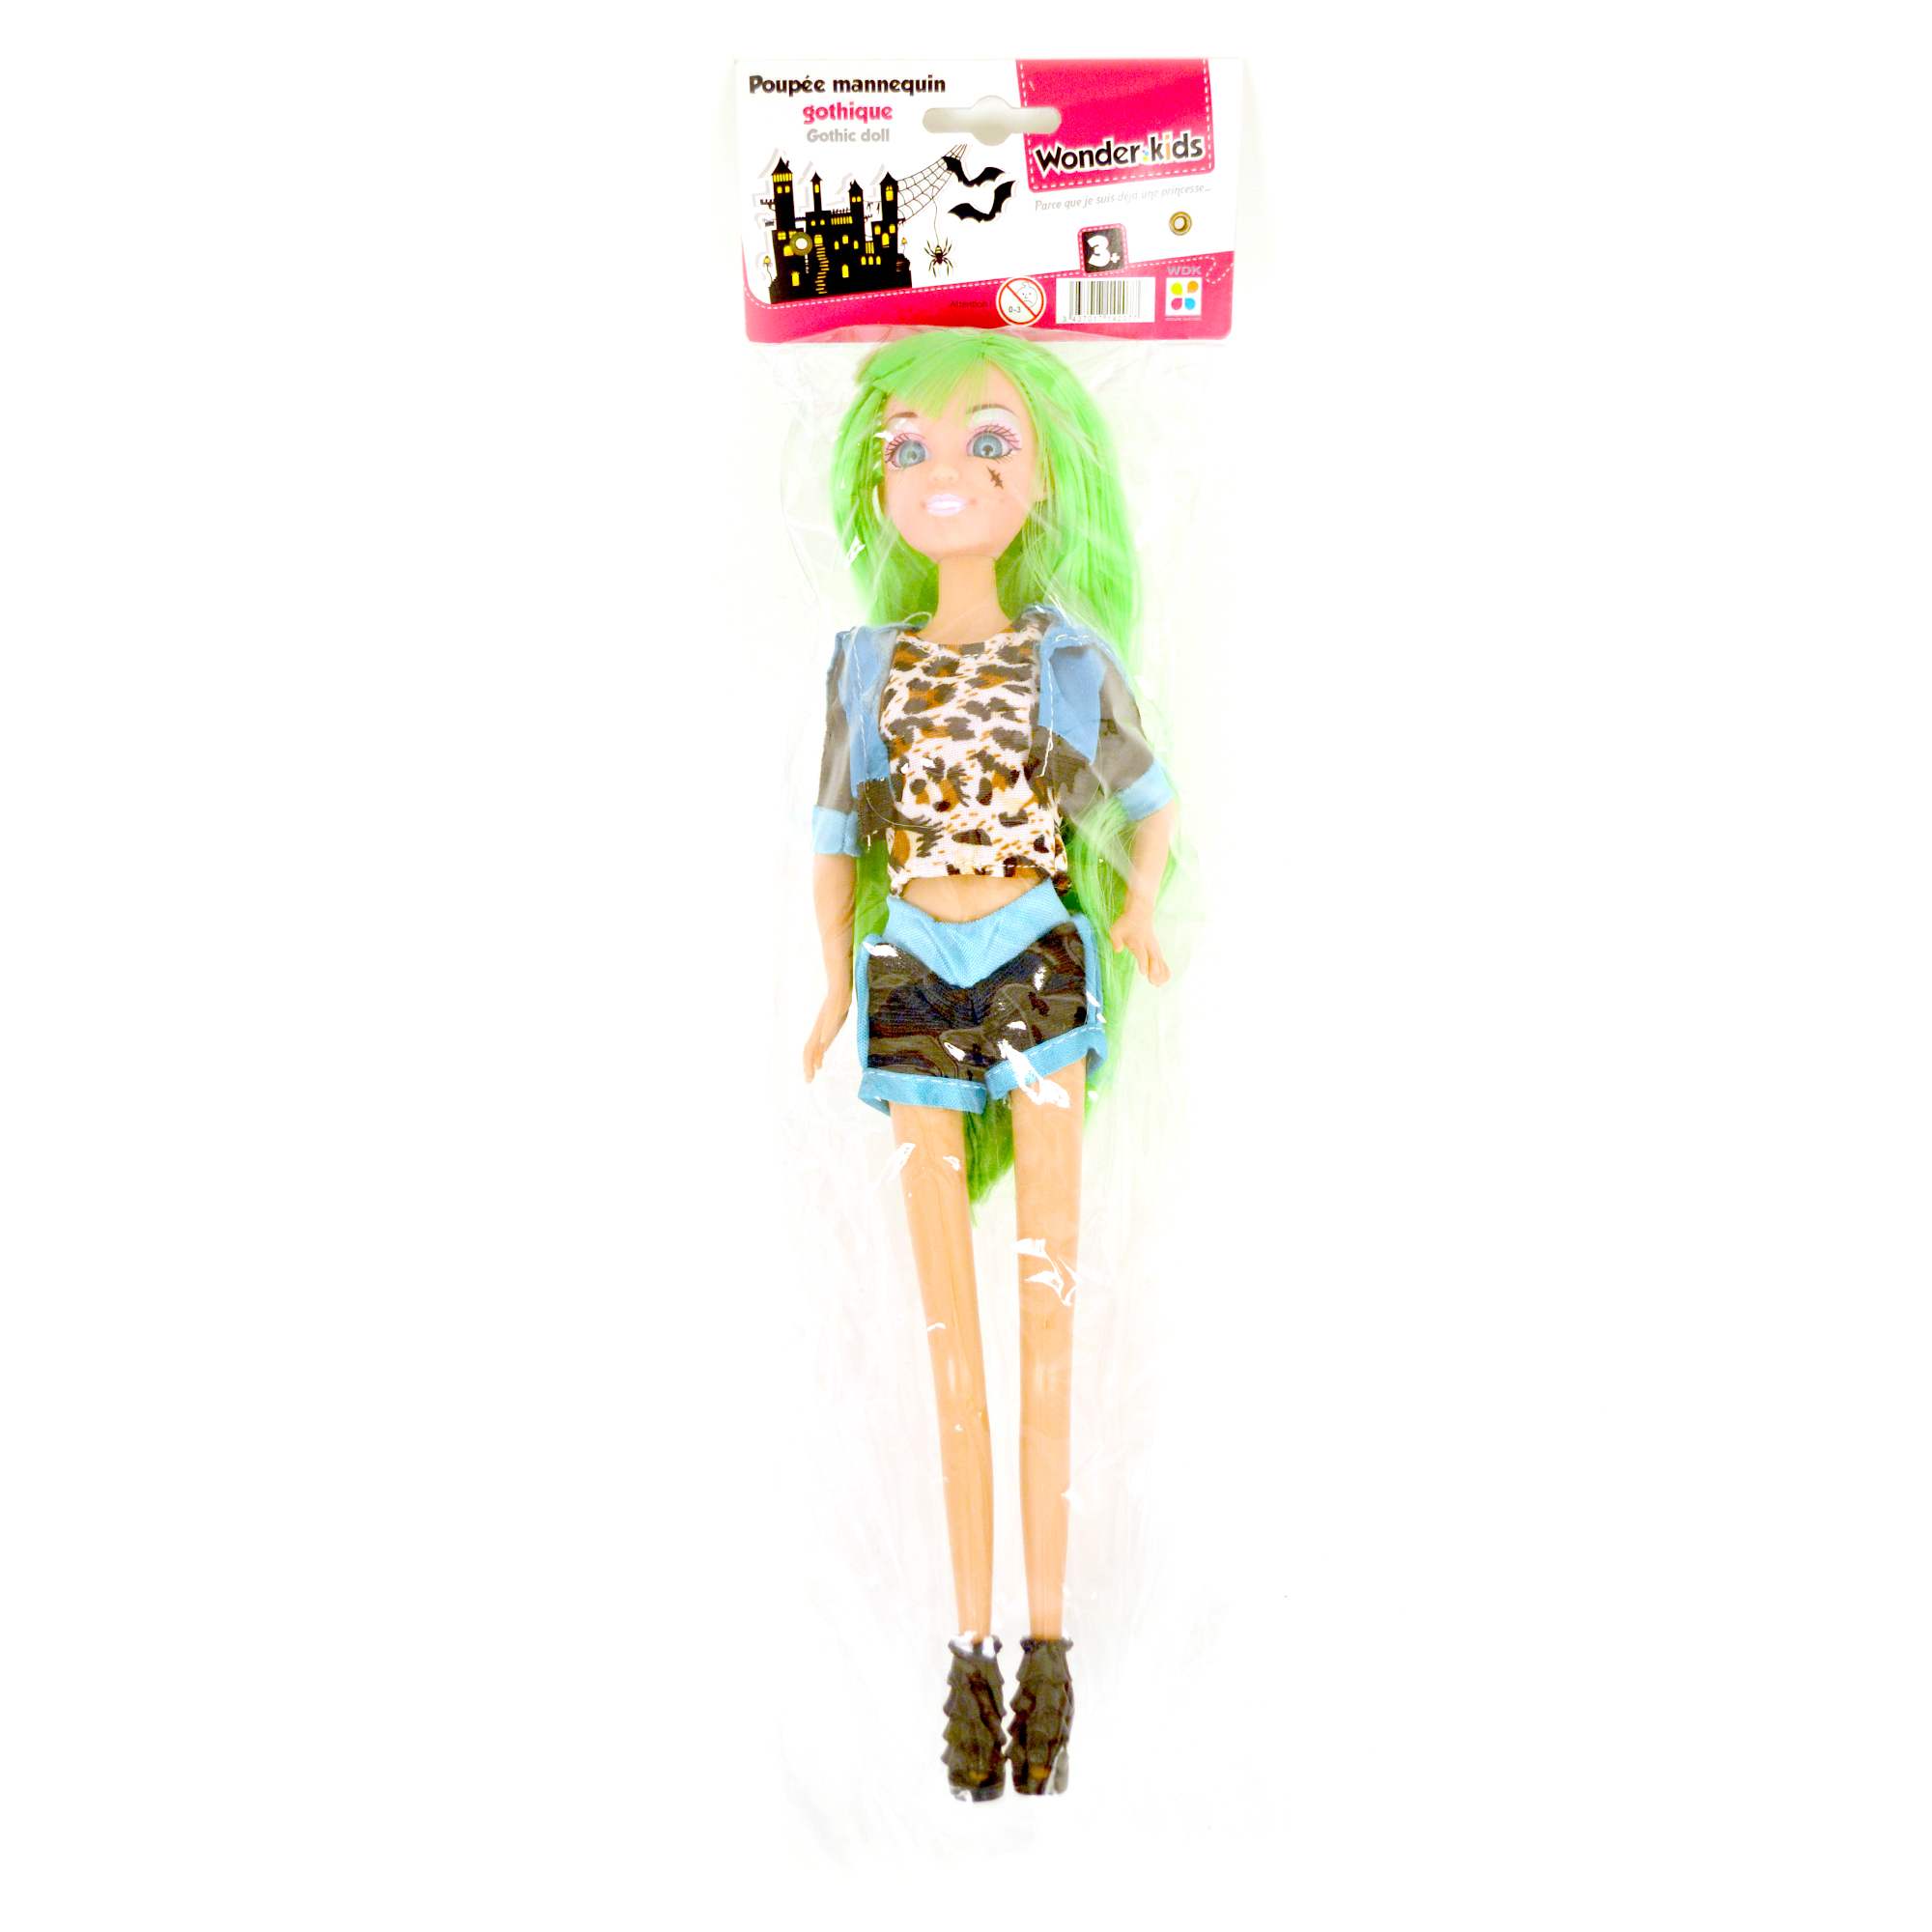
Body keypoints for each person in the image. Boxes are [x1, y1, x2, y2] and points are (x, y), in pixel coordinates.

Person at [801, 331, 1178, 1799]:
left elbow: (1148, 803)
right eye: (910, 447)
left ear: (1043, 477)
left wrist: (1139, 907)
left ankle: (1048, 1650)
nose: (945, 472)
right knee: (948, 1341)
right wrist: (829, 986)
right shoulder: (865, 669)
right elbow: (836, 845)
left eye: (987, 441)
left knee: (1044, 1325)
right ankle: (971, 1658)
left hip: (1033, 958)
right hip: (910, 973)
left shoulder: (1062, 661)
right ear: (875, 482)